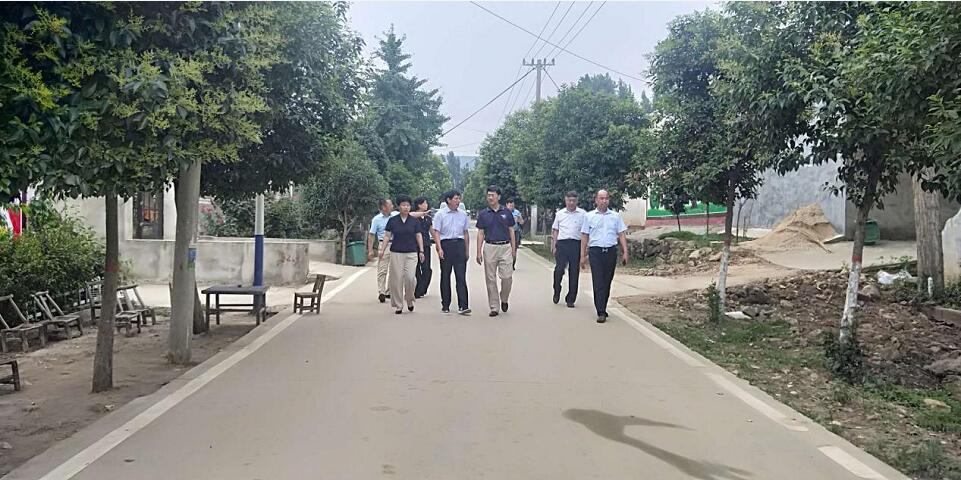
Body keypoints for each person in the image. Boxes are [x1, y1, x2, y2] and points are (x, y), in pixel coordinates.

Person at [580, 189, 629, 324]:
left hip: (610, 251)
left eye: (606, 198)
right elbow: (584, 236)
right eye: (601, 198)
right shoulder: (589, 216)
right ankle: (600, 311)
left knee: (607, 281)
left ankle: (603, 306)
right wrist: (582, 255)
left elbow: (621, 234)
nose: (604, 201)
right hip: (595, 252)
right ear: (596, 200)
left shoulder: (615, 216)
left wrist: (625, 252)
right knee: (598, 281)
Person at [379, 195, 425, 315]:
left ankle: (409, 299)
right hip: (396, 252)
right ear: (399, 206)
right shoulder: (392, 221)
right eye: (403, 205)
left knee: (410, 278)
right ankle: (399, 305)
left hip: (411, 253)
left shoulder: (414, 221)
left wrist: (421, 251)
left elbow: (418, 235)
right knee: (397, 279)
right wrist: (382, 250)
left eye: (408, 205)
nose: (406, 207)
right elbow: (387, 236)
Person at [476, 185, 516, 317]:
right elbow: (480, 233)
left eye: (492, 195)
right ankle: (494, 306)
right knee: (490, 278)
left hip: (505, 247)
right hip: (490, 247)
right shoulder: (483, 214)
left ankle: (504, 298)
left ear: (498, 197)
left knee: (507, 277)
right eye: (488, 195)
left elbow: (511, 231)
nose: (490, 198)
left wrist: (513, 249)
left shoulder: (507, 212)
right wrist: (478, 251)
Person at [432, 190, 471, 315]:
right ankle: (445, 304)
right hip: (446, 245)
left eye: (459, 198)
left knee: (461, 276)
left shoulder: (463, 215)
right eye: (455, 198)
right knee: (445, 275)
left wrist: (467, 250)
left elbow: (465, 233)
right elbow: (437, 233)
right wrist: (439, 248)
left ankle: (463, 305)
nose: (458, 201)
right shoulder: (440, 214)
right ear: (448, 200)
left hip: (459, 245)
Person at [551, 191, 587, 308]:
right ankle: (557, 290)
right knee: (559, 270)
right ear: (565, 200)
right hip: (562, 244)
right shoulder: (560, 214)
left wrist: (584, 250)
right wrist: (554, 245)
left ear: (577, 201)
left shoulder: (583, 214)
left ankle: (571, 298)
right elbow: (555, 230)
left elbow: (585, 233)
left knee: (574, 272)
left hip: (576, 244)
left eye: (573, 201)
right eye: (569, 200)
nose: (571, 203)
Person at [368, 198, 398, 303]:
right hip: (383, 245)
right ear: (383, 207)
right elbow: (371, 235)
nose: (392, 206)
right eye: (390, 205)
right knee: (382, 269)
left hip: (396, 244)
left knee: (394, 270)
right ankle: (381, 291)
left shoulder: (395, 215)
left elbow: (410, 214)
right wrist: (370, 250)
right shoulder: (376, 219)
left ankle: (389, 291)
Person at [413, 197, 433, 298]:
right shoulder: (413, 217)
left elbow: (432, 231)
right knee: (416, 268)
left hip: (426, 245)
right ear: (419, 205)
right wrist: (423, 213)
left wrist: (438, 243)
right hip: (414, 245)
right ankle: (418, 290)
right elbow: (410, 215)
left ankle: (423, 288)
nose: (426, 205)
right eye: (424, 203)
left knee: (426, 269)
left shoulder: (428, 218)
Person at [506, 199, 524, 270]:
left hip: (515, 232)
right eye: (510, 206)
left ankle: (513, 264)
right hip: (506, 232)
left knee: (514, 248)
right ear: (506, 205)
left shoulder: (517, 212)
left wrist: (519, 219)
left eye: (513, 206)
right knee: (506, 248)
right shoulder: (504, 212)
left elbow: (522, 222)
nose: (511, 207)